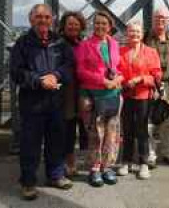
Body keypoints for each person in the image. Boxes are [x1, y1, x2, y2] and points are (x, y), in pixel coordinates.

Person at [10, 4, 74, 200]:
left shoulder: (60, 43)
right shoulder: (22, 43)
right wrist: (39, 81)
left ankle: (55, 176)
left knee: (56, 140)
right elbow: (16, 72)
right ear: (31, 20)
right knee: (30, 144)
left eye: (47, 17)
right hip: (32, 103)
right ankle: (28, 182)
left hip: (55, 102)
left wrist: (55, 75)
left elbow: (69, 66)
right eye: (39, 17)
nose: (43, 20)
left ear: (52, 20)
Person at [75, 11, 124, 187]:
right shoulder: (85, 45)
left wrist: (119, 78)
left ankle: (107, 167)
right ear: (92, 25)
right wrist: (102, 81)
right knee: (96, 134)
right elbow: (80, 72)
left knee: (112, 134)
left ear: (110, 26)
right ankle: (95, 168)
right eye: (97, 23)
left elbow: (118, 67)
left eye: (104, 23)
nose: (100, 26)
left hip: (113, 95)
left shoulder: (114, 44)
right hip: (94, 96)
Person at [117, 21, 162, 180]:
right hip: (126, 96)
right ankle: (126, 161)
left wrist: (140, 79)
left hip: (143, 96)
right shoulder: (120, 51)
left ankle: (143, 162)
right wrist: (122, 80)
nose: (134, 34)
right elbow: (115, 71)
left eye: (137, 32)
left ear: (142, 34)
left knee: (142, 130)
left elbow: (157, 75)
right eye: (131, 32)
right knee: (127, 129)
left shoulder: (151, 52)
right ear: (127, 34)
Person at [145, 8, 169, 168]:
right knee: (151, 120)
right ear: (152, 19)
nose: (161, 20)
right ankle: (150, 154)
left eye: (164, 18)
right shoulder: (146, 37)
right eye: (158, 17)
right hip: (151, 84)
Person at [58, 11, 88, 178]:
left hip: (82, 91)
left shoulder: (82, 44)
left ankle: (79, 160)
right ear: (64, 25)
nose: (73, 26)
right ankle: (68, 162)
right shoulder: (57, 43)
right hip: (66, 93)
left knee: (84, 127)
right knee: (67, 129)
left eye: (76, 24)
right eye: (70, 23)